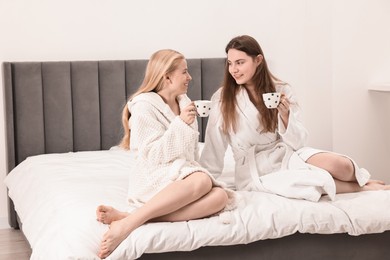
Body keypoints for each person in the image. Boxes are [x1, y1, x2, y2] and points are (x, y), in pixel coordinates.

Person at [200, 35, 390, 202]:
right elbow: (213, 148)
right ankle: (363, 187)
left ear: (258, 60)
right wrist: (207, 183)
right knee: (310, 184)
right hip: (255, 168)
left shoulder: (281, 90)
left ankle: (359, 179)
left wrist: (285, 116)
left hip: (287, 153)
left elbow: (298, 142)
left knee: (343, 166)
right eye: (230, 63)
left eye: (240, 62)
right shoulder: (222, 99)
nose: (233, 69)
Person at [96, 49, 233, 259]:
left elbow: (190, 153)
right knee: (203, 180)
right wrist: (180, 124)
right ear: (167, 76)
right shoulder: (144, 107)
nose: (190, 77)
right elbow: (152, 155)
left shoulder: (184, 103)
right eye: (184, 72)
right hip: (153, 175)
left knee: (220, 197)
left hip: (178, 176)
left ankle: (130, 217)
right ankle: (127, 227)